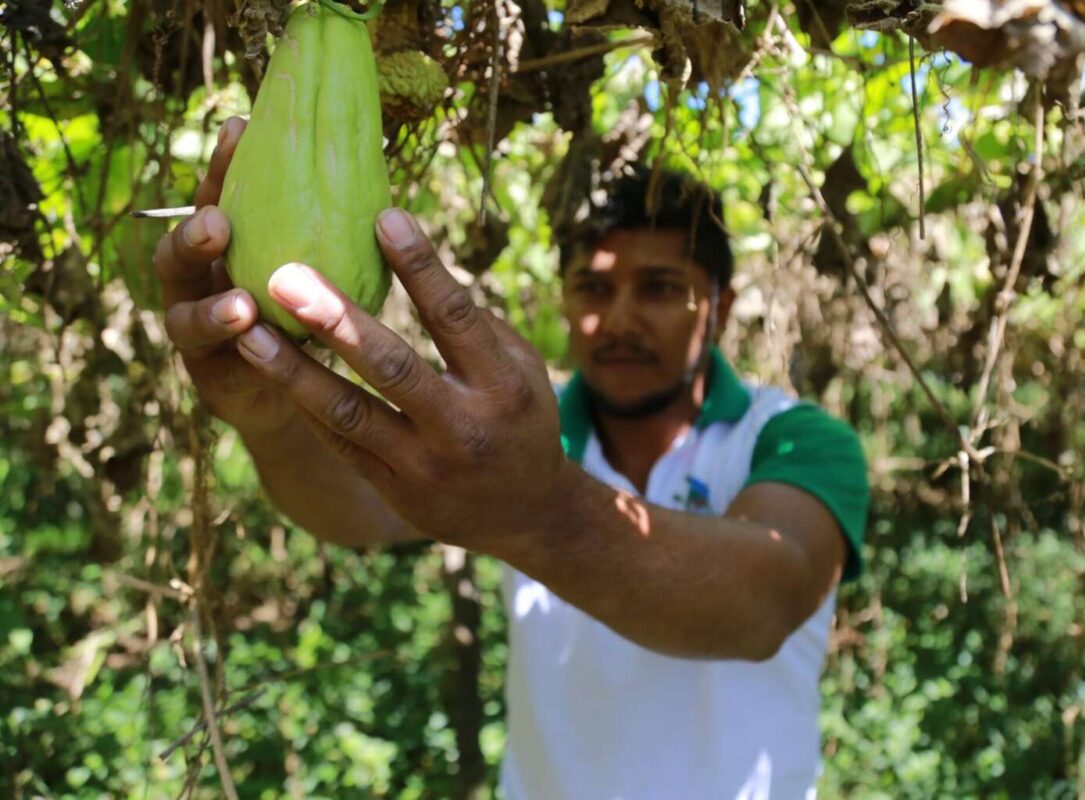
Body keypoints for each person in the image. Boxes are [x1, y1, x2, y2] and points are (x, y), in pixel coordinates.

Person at [152, 116, 869, 799]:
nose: (618, 318)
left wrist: (537, 512)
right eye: (593, 287)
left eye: (659, 288)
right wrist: (272, 419)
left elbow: (763, 604)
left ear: (719, 303)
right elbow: (361, 508)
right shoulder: (534, 441)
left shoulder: (796, 439)